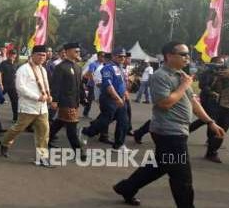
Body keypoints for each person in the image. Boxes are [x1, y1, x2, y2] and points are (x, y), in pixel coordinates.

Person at [113, 41, 225, 207]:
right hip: (168, 132)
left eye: (188, 54)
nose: (188, 57)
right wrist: (184, 85)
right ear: (169, 56)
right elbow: (164, 103)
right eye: (183, 54)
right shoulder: (160, 76)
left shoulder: (181, 75)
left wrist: (210, 122)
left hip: (178, 131)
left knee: (159, 165)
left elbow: (194, 103)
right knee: (182, 177)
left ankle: (127, 187)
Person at [0, 45, 52, 167]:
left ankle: (42, 158)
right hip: (28, 107)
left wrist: (49, 95)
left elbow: (45, 85)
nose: (42, 57)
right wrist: (37, 97)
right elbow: (20, 88)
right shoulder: (23, 69)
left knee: (44, 132)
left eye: (44, 55)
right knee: (18, 129)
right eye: (39, 55)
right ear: (32, 55)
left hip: (42, 108)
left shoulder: (43, 69)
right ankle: (4, 143)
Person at [81, 47, 131, 152]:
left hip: (120, 98)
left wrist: (125, 92)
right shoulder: (108, 68)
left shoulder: (120, 68)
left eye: (123, 56)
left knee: (123, 121)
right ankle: (86, 132)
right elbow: (108, 85)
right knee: (105, 121)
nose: (122, 58)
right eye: (120, 56)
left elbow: (121, 83)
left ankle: (119, 145)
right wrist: (117, 97)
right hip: (110, 99)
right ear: (113, 56)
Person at [49, 43, 86, 160]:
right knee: (72, 127)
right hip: (65, 101)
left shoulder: (78, 67)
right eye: (76, 51)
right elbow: (56, 85)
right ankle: (79, 151)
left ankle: (46, 139)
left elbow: (80, 85)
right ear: (68, 51)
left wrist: (83, 97)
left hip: (74, 101)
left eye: (79, 51)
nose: (78, 53)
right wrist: (54, 100)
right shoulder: (61, 67)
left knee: (59, 122)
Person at [83, 51, 106, 118]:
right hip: (92, 85)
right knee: (90, 100)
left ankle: (104, 114)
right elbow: (91, 74)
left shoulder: (104, 65)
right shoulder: (93, 64)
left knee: (101, 100)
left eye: (104, 56)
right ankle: (85, 113)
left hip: (101, 85)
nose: (103, 58)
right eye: (102, 56)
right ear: (98, 56)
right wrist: (96, 83)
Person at [0, 49, 19, 122]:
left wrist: (17, 85)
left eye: (14, 54)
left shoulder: (16, 64)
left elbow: (17, 75)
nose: (12, 55)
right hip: (4, 85)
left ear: (15, 55)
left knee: (15, 102)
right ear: (8, 55)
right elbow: (0, 73)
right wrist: (0, 84)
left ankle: (15, 118)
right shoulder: (3, 63)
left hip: (12, 86)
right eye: (11, 54)